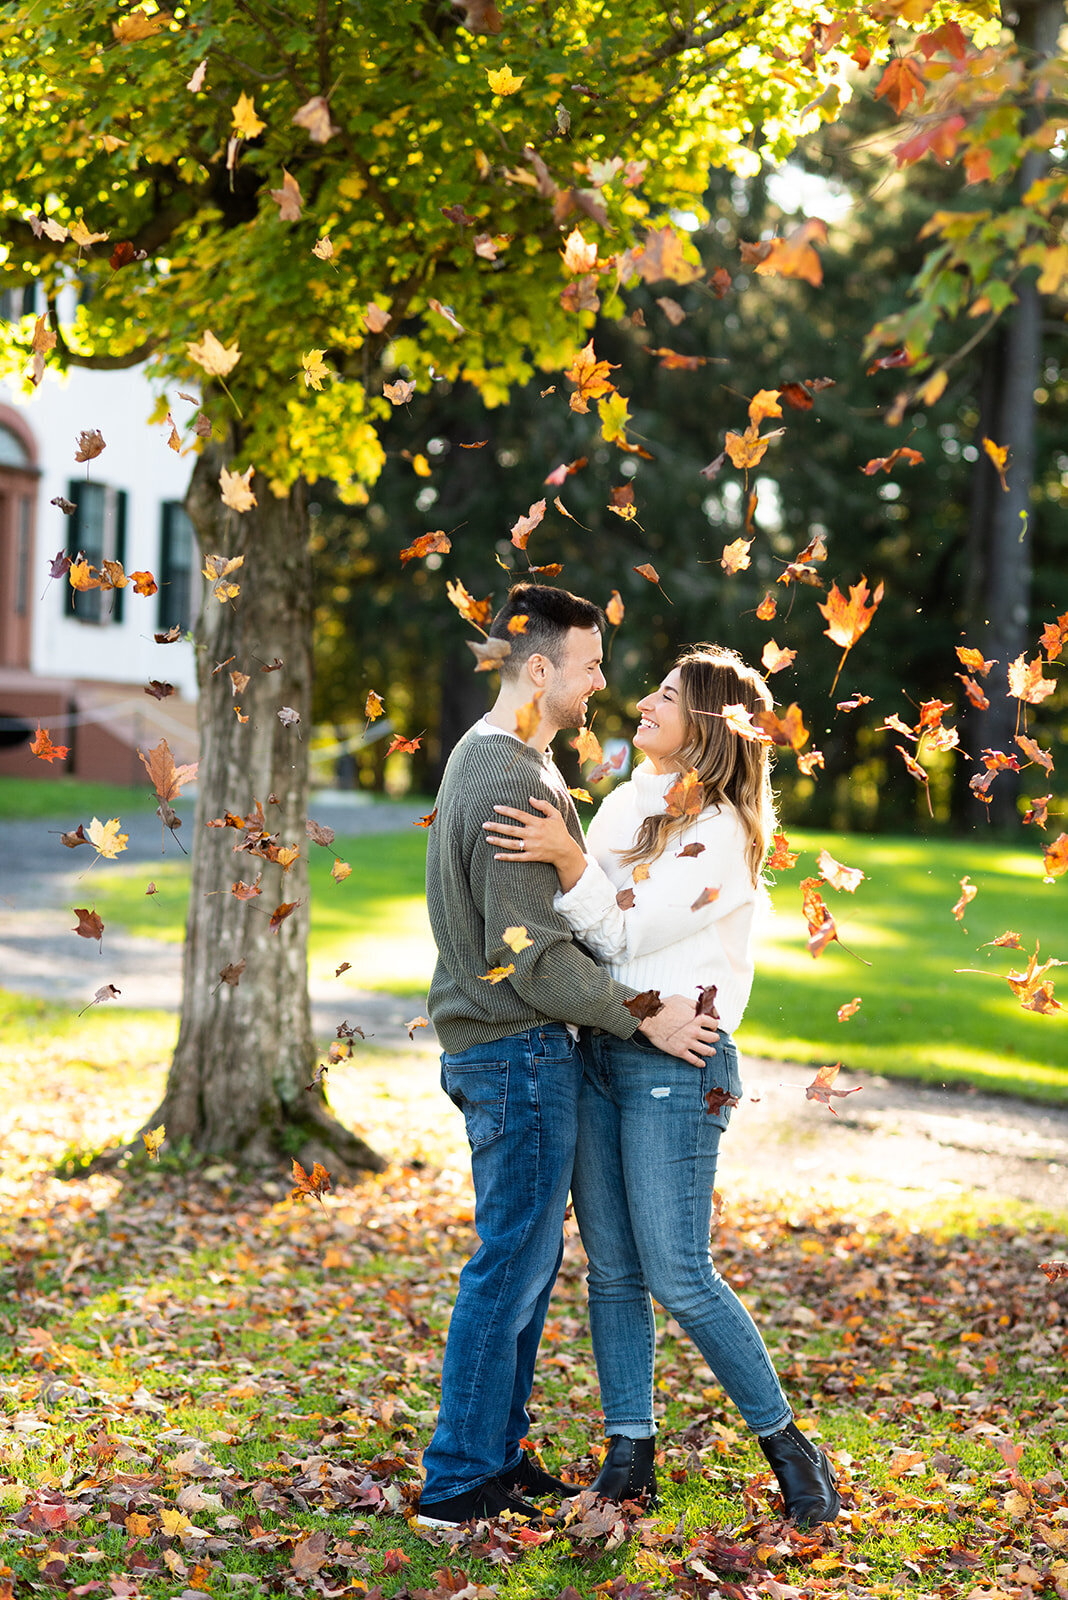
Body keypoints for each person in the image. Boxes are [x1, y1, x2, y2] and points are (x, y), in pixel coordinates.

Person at [483, 644, 840, 1529]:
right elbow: (595, 938)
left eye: (667, 698)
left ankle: (790, 1446)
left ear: (708, 727)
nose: (643, 702)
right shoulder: (624, 807)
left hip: (678, 1064)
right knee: (613, 1273)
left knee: (679, 1272)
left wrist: (573, 866)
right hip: (603, 1043)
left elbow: (620, 934)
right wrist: (582, 867)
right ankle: (629, 1456)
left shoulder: (722, 832)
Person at [416, 586, 720, 1530]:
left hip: (511, 1052)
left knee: (528, 1261)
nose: (601, 684)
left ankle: (495, 1455)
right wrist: (643, 1014)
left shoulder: (507, 758)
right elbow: (533, 959)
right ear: (539, 669)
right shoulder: (508, 775)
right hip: (516, 1052)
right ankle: (457, 1479)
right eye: (588, 665)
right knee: (509, 1262)